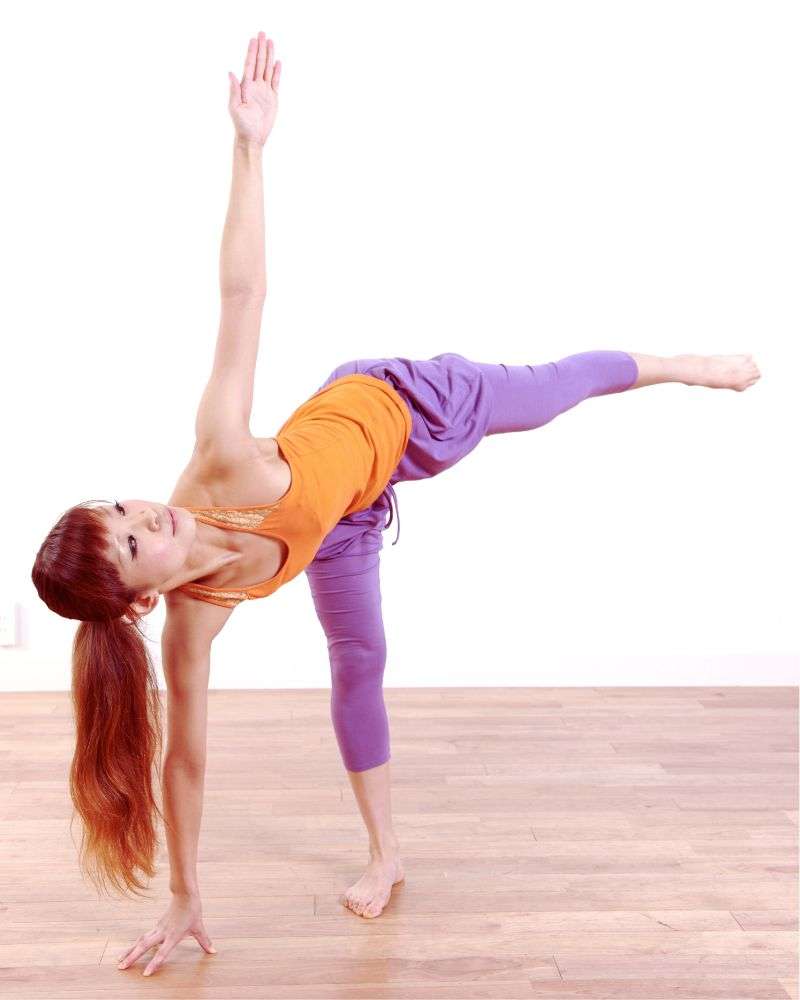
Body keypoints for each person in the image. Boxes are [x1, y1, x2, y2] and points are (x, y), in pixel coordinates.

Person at [30, 31, 762, 978]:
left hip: (397, 408)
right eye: (130, 545)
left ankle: (680, 366)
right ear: (138, 601)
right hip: (342, 517)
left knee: (540, 396)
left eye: (120, 510)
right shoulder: (191, 626)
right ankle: (387, 853)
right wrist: (184, 892)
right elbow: (184, 762)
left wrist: (249, 145)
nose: (146, 517)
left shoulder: (216, 457)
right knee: (360, 659)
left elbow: (243, 293)